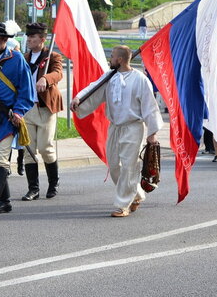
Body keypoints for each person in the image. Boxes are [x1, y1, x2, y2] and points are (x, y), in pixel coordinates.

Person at [71, 45, 162, 217]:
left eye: (112, 56)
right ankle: (136, 194)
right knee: (114, 166)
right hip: (114, 127)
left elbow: (150, 106)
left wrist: (152, 133)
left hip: (133, 127)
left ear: (119, 60)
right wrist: (78, 99)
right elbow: (93, 89)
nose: (110, 59)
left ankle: (122, 205)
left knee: (129, 166)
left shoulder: (140, 80)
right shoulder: (109, 77)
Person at [0, 21, 35, 220]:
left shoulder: (17, 59)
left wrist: (19, 111)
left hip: (7, 118)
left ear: (5, 39)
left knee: (0, 159)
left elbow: (27, 90)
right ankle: (6, 201)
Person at [21, 22, 64, 201]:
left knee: (45, 147)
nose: (29, 39)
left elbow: (58, 73)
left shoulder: (52, 56)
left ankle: (53, 182)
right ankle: (33, 189)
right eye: (28, 37)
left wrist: (46, 79)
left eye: (33, 37)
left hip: (45, 107)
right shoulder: (24, 57)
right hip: (27, 108)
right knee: (29, 150)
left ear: (42, 39)